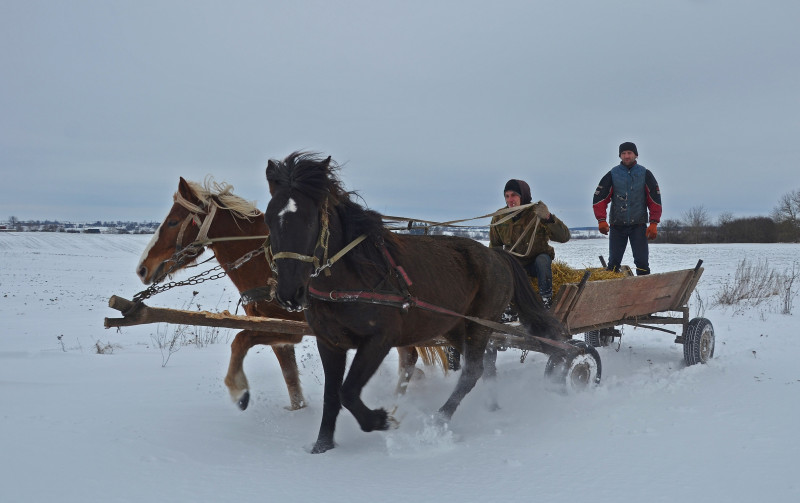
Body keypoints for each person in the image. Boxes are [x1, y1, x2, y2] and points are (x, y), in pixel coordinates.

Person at [489, 179, 571, 309]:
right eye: (507, 196)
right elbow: (495, 246)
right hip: (515, 264)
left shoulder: (537, 212)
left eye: (514, 195)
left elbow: (564, 237)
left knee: (543, 260)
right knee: (501, 265)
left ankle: (545, 300)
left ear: (523, 195)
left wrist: (549, 218)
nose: (510, 200)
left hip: (535, 264)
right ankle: (507, 305)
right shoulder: (500, 217)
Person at [592, 141, 662, 275]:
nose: (626, 156)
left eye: (629, 153)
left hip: (638, 225)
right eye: (623, 153)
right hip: (617, 225)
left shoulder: (645, 174)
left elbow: (655, 199)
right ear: (620, 156)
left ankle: (644, 293)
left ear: (636, 155)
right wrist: (601, 220)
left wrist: (654, 222)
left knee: (642, 263)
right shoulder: (613, 174)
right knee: (613, 263)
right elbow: (599, 199)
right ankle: (610, 293)